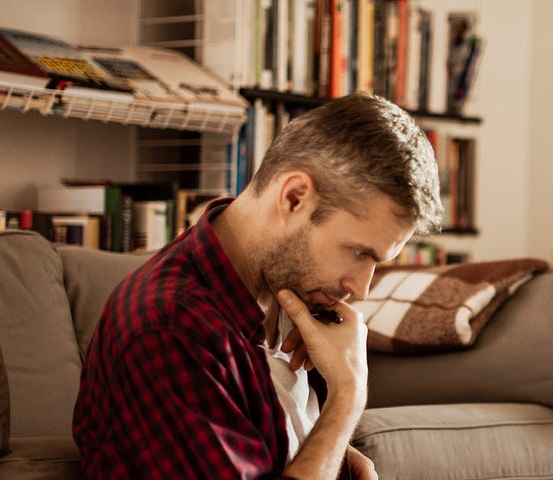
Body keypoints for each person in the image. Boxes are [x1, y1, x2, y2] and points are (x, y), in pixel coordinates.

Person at [73, 92, 443, 479]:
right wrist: (347, 399)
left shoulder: (290, 293)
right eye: (358, 252)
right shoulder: (171, 331)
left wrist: (339, 455)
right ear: (294, 197)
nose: (361, 289)